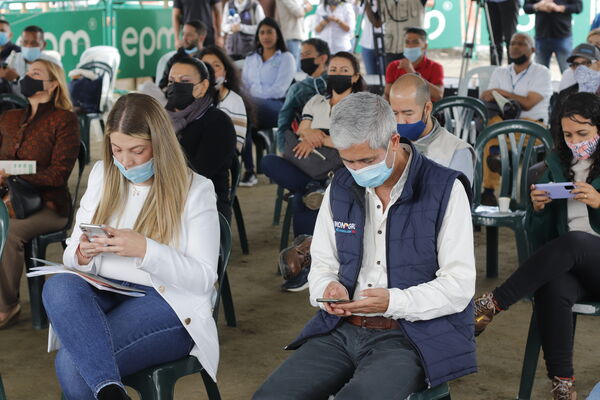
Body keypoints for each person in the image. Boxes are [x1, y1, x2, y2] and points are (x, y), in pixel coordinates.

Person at [253, 92, 476, 399]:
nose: (357, 170)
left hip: (412, 335)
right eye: (348, 160)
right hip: (342, 328)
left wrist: (391, 302)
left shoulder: (445, 189)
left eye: (367, 160)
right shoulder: (341, 186)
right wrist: (327, 288)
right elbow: (323, 262)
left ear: (394, 141)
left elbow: (459, 285)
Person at [41, 93, 220, 400]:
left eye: (137, 150)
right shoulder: (103, 174)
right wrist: (83, 253)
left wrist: (146, 250)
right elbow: (72, 251)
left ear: (159, 144)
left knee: (73, 366)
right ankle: (111, 390)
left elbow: (204, 278)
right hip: (106, 288)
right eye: (116, 150)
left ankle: (109, 391)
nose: (125, 161)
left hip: (167, 302)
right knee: (58, 286)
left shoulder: (196, 189)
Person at [473, 92, 600, 400]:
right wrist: (538, 210)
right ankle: (563, 386)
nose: (575, 141)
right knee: (552, 284)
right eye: (568, 134)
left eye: (583, 134)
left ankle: (493, 303)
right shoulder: (558, 162)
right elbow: (539, 239)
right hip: (573, 265)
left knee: (575, 241)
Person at [263, 52, 367, 291]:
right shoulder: (316, 101)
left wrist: (320, 138)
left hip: (341, 167)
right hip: (308, 163)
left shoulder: (361, 106)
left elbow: (357, 144)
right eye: (333, 69)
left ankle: (305, 267)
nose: (337, 74)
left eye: (344, 71)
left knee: (302, 200)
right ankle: (312, 187)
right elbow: (302, 130)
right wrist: (314, 136)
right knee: (268, 161)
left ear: (355, 77)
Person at [0, 59, 80, 328]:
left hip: (49, 205)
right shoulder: (10, 119)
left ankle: (6, 306)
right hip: (8, 198)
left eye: (36, 74)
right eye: (27, 73)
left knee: (8, 231)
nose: (27, 77)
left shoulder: (64, 120)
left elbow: (58, 174)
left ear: (53, 84)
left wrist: (14, 174)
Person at [479, 32, 552, 205]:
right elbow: (489, 97)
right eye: (512, 43)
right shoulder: (500, 71)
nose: (515, 47)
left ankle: (490, 190)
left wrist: (502, 93)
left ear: (532, 49)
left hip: (532, 127)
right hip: (504, 125)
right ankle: (490, 192)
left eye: (521, 43)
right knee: (491, 130)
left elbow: (528, 103)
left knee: (491, 137)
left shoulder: (541, 72)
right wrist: (489, 95)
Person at [165, 51, 237, 222]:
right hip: (165, 199)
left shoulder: (218, 123)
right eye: (171, 81)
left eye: (184, 81)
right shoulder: (162, 120)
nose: (175, 86)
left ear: (203, 87)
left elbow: (199, 174)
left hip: (204, 206)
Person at [390, 73, 475, 184]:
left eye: (408, 113)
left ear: (428, 108)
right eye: (395, 113)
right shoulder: (386, 144)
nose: (400, 121)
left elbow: (459, 200)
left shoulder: (456, 152)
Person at [240, 17, 295, 186]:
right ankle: (250, 172)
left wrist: (252, 96)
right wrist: (248, 98)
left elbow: (279, 89)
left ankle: (249, 172)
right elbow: (243, 86)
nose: (266, 36)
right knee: (243, 121)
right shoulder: (251, 58)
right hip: (252, 109)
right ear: (258, 36)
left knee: (244, 110)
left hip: (277, 107)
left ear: (278, 34)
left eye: (270, 32)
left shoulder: (286, 58)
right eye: (262, 32)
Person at [276, 38, 330, 152]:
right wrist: (284, 152)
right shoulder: (297, 89)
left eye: (307, 54)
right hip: (306, 145)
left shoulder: (337, 83)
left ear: (323, 58)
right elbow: (283, 123)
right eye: (301, 55)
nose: (303, 58)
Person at [200, 45, 250, 152]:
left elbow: (235, 148)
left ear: (225, 72)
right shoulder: (193, 98)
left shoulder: (234, 101)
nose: (211, 71)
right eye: (205, 66)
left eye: (216, 66)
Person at [384, 27, 444, 101]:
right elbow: (387, 93)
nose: (410, 46)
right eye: (407, 42)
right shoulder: (394, 66)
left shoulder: (435, 67)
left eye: (415, 42)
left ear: (425, 46)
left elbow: (438, 95)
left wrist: (412, 72)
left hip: (426, 110)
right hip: (399, 109)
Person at [523, 0, 582, 73]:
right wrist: (538, 6)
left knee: (568, 73)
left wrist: (559, 8)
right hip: (542, 36)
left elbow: (578, 7)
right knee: (540, 73)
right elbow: (526, 7)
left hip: (562, 35)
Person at [365, 0, 426, 66]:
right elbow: (377, 23)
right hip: (391, 51)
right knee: (391, 75)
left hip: (413, 49)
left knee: (414, 75)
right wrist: (366, 3)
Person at [275, 0, 313, 70]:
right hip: (290, 36)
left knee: (296, 69)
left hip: (296, 36)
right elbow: (299, 12)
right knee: (293, 69)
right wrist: (305, 6)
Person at [486, 0, 520, 65]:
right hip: (490, 2)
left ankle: (513, 71)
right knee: (493, 39)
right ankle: (494, 70)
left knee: (510, 39)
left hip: (509, 2)